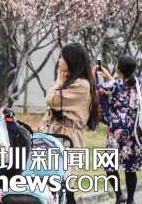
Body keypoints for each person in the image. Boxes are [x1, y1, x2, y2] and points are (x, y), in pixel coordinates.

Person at [39, 43, 100, 204]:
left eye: (62, 57)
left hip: (68, 137)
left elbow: (51, 99)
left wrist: (59, 80)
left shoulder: (81, 85)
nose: (59, 60)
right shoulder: (71, 81)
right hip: (56, 134)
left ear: (71, 60)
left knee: (65, 186)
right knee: (53, 186)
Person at [96, 54, 142, 204]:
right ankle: (130, 200)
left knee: (109, 167)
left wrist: (97, 74)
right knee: (130, 169)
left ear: (119, 69)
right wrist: (110, 77)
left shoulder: (113, 86)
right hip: (133, 134)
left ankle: (119, 196)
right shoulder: (139, 85)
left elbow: (99, 89)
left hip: (115, 134)